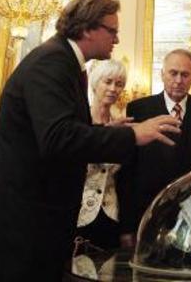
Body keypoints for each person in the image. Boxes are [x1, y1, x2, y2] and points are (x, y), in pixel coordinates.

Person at [0, 0, 180, 282]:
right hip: (23, 223)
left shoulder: (67, 63)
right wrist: (131, 135)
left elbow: (65, 132)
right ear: (87, 29)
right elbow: (58, 138)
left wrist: (107, 133)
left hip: (39, 220)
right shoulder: (52, 62)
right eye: (111, 31)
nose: (117, 38)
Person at [124, 48, 191, 230]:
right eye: (173, 73)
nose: (178, 80)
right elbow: (129, 171)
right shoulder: (138, 109)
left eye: (185, 75)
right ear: (162, 74)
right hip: (149, 213)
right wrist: (128, 227)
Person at [76, 59, 136, 249]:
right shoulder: (78, 120)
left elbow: (126, 178)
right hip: (77, 213)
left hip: (111, 215)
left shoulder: (121, 124)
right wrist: (105, 132)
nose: (113, 88)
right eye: (108, 81)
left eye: (119, 84)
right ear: (95, 83)